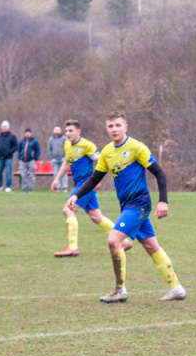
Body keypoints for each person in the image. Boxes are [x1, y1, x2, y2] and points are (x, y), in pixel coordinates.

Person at [67, 112, 186, 304]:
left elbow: (159, 173)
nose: (114, 129)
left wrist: (163, 201)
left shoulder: (136, 147)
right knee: (151, 246)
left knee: (113, 240)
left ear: (125, 127)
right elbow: (95, 178)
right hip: (127, 205)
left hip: (138, 204)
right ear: (106, 129)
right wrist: (76, 194)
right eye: (110, 126)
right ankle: (176, 288)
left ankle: (119, 290)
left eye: (117, 125)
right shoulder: (106, 152)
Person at [52, 120, 132, 258]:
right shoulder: (67, 144)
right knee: (96, 216)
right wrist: (57, 178)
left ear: (78, 131)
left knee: (68, 210)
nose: (67, 134)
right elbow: (67, 162)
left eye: (71, 131)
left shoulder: (86, 145)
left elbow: (101, 161)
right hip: (80, 183)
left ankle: (72, 248)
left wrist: (97, 180)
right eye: (66, 131)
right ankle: (124, 241)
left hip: (85, 184)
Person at [0, 120, 17, 192]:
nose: (4, 128)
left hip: (8, 158)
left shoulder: (12, 136)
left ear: (8, 127)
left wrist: (10, 152)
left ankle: (8, 186)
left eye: (5, 127)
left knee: (8, 172)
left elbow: (15, 146)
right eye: (3, 127)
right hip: (0, 157)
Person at [17, 129, 40, 193]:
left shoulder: (34, 141)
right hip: (22, 161)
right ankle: (24, 189)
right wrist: (19, 157)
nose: (27, 134)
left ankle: (31, 189)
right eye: (26, 133)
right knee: (23, 176)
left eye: (29, 133)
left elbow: (38, 150)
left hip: (31, 161)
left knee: (31, 176)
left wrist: (35, 158)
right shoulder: (22, 141)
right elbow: (18, 150)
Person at [47, 126, 68, 192]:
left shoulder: (64, 138)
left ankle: (64, 187)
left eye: (58, 130)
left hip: (63, 158)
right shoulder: (51, 139)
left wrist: (66, 156)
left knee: (64, 173)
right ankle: (57, 187)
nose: (57, 131)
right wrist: (51, 157)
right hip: (54, 159)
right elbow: (49, 149)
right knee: (56, 174)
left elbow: (68, 147)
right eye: (55, 130)